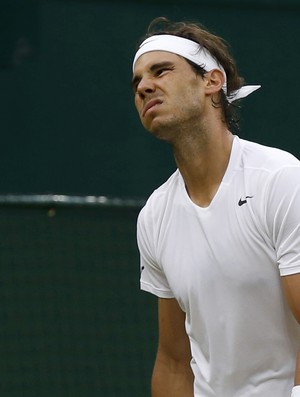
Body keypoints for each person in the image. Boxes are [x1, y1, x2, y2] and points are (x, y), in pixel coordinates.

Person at [132, 17, 300, 397]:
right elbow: (175, 361)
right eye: (138, 82)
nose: (144, 86)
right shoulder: (154, 216)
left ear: (211, 81)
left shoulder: (282, 180)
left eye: (161, 71)